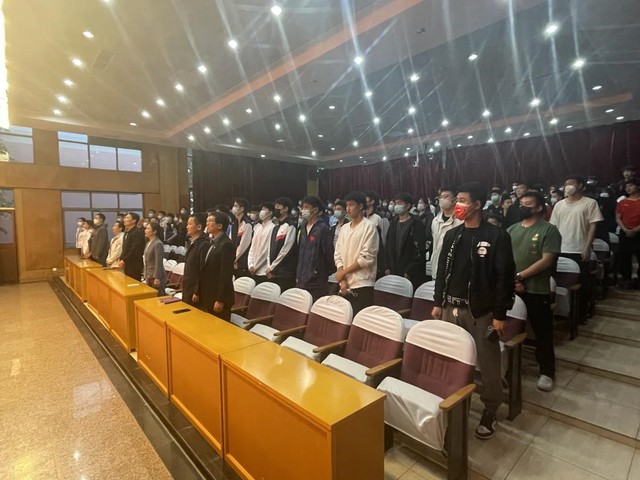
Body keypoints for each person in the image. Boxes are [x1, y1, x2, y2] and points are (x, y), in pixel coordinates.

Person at [431, 182, 515, 440]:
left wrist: (500, 314)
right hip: (450, 307)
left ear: (477, 205)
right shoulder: (452, 235)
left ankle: (490, 410)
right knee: (451, 359)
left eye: (463, 200)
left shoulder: (496, 236)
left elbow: (504, 277)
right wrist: (437, 302)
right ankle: (453, 403)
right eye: (457, 199)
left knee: (488, 364)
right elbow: (442, 271)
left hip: (480, 312)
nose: (458, 205)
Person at [507, 191, 561, 392]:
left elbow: (546, 260)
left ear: (539, 207)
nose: (522, 206)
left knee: (542, 333)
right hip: (511, 288)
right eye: (521, 203)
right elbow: (504, 258)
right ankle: (507, 367)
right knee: (505, 328)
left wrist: (520, 277)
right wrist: (512, 280)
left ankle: (547, 371)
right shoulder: (512, 229)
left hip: (536, 290)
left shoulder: (549, 230)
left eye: (528, 203)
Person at [550, 175, 603, 320]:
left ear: (580, 186)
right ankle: (563, 312)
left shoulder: (590, 203)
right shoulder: (559, 205)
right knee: (558, 283)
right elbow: (553, 227)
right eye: (566, 184)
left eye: (571, 183)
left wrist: (587, 247)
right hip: (560, 249)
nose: (568, 186)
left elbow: (593, 226)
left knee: (583, 283)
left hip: (579, 249)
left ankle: (582, 313)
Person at [334, 191, 379, 314]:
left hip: (362, 284)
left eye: (351, 205)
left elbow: (366, 258)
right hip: (344, 283)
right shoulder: (344, 228)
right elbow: (338, 254)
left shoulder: (369, 227)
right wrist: (342, 279)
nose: (348, 208)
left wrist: (343, 273)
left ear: (360, 206)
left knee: (359, 320)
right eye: (347, 205)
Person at [384, 193, 427, 289]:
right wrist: (387, 265)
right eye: (395, 203)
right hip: (393, 268)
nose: (396, 206)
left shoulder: (416, 224)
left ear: (408, 206)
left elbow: (420, 250)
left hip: (409, 270)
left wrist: (410, 270)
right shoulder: (393, 223)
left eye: (400, 203)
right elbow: (388, 245)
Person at [296, 196, 335, 301]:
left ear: (315, 210)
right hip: (301, 279)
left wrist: (321, 272)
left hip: (317, 281)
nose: (303, 210)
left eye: (306, 207)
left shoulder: (322, 228)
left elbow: (328, 253)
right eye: (302, 207)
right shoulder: (303, 227)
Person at [198, 212, 235, 320]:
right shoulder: (213, 242)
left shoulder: (226, 244)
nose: (207, 224)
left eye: (210, 221)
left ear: (219, 226)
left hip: (218, 297)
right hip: (209, 294)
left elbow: (225, 275)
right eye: (207, 221)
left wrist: (220, 300)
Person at [430, 187, 462, 281]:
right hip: (436, 266)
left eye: (446, 196)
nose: (442, 199)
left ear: (455, 199)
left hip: (455, 269)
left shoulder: (461, 221)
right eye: (440, 197)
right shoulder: (435, 221)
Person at [267, 197, 298, 291]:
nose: (275, 209)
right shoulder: (275, 228)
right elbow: (269, 248)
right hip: (273, 271)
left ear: (285, 209)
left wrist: (273, 267)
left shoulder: (291, 226)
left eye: (278, 206)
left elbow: (286, 249)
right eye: (275, 206)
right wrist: (269, 266)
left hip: (285, 272)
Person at [615, 178, 640, 289]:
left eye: (631, 185)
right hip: (624, 232)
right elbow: (618, 217)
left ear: (638, 186)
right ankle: (626, 279)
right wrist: (625, 230)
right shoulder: (623, 202)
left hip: (638, 233)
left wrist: (635, 230)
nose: (628, 188)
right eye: (626, 186)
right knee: (624, 257)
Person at [181, 213, 211, 307]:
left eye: (190, 224)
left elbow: (203, 270)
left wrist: (197, 291)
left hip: (195, 288)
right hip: (188, 284)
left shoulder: (204, 244)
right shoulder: (193, 242)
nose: (187, 227)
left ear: (199, 227)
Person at [248, 202, 276, 283]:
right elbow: (252, 247)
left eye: (264, 209)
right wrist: (250, 265)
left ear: (270, 213)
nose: (261, 212)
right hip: (252, 268)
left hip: (263, 270)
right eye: (261, 209)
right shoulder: (258, 227)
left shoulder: (272, 228)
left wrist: (256, 266)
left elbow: (267, 250)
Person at [117, 212, 146, 281]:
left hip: (134, 264)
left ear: (134, 221)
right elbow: (125, 248)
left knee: (133, 283)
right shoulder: (127, 232)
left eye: (127, 218)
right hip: (127, 263)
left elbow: (133, 250)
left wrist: (124, 260)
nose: (124, 219)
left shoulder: (137, 233)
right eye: (125, 218)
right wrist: (121, 258)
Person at [143, 222, 166, 296]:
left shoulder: (158, 243)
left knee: (158, 297)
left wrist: (157, 277)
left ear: (154, 231)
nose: (145, 230)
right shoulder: (148, 243)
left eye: (148, 229)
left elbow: (158, 262)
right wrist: (145, 274)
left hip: (155, 276)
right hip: (148, 275)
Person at [232, 198, 253, 278]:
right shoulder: (234, 223)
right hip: (233, 260)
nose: (233, 208)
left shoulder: (247, 224)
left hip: (242, 261)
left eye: (235, 206)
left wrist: (235, 258)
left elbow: (244, 245)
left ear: (242, 209)